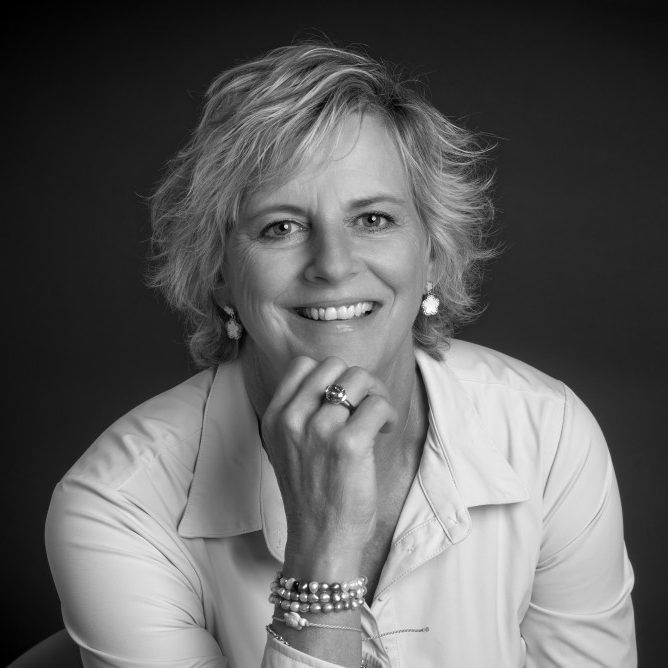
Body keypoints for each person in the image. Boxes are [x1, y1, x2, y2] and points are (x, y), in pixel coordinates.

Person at [45, 42, 637, 668]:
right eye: (281, 227)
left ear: (433, 253)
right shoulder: (117, 506)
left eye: (373, 219)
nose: (332, 265)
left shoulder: (547, 433)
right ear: (220, 274)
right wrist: (322, 550)